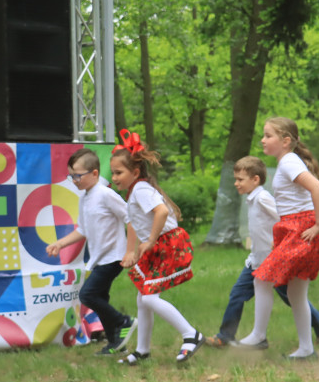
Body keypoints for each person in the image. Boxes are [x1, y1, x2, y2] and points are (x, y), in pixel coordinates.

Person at [207, 156, 319, 349]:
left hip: (273, 262)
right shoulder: (252, 199)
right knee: (238, 294)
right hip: (256, 262)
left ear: (255, 180)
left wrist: (283, 247)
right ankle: (226, 336)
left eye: (240, 179)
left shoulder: (263, 198)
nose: (236, 183)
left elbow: (283, 219)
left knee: (291, 297)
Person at [109, 131, 204, 365]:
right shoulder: (135, 192)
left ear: (136, 172)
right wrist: (132, 251)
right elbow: (133, 223)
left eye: (118, 172)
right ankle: (142, 350)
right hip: (159, 245)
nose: (114, 177)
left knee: (150, 298)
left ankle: (191, 334)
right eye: (112, 172)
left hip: (169, 244)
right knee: (143, 298)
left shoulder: (140, 190)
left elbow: (160, 212)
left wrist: (150, 241)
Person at [244, 118, 319, 360]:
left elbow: (318, 188)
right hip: (296, 231)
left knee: (262, 280)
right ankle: (306, 349)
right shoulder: (286, 163)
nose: (263, 140)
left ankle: (259, 335)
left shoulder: (289, 162)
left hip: (303, 232)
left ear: (285, 141)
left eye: (268, 135)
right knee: (295, 293)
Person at [47, 148, 136, 356]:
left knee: (87, 295)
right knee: (100, 297)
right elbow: (83, 230)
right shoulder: (84, 198)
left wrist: (130, 251)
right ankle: (116, 343)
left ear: (94, 173)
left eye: (78, 175)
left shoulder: (105, 194)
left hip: (114, 257)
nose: (74, 180)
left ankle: (124, 321)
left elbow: (130, 218)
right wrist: (60, 244)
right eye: (71, 176)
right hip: (99, 258)